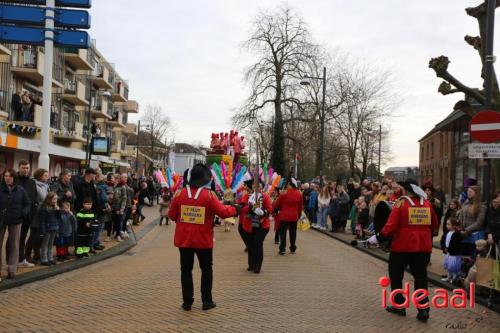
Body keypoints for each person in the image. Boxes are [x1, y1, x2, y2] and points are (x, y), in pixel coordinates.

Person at [168, 164, 240, 311]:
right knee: (206, 269)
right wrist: (236, 209)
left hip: (184, 239)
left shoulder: (179, 194)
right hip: (203, 239)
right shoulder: (209, 195)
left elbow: (171, 215)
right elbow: (223, 212)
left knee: (185, 270)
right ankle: (207, 301)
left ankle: (187, 302)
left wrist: (184, 222)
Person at [370, 179, 438, 322]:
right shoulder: (426, 203)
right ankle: (423, 309)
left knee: (396, 276)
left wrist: (379, 237)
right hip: (423, 246)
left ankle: (399, 305)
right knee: (421, 277)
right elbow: (434, 225)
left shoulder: (401, 203)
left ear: (406, 190)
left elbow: (391, 226)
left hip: (402, 246)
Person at [0, 169, 30, 279]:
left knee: (14, 245)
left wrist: (23, 213)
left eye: (10, 176)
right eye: (6, 176)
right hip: (1, 220)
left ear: (14, 178)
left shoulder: (20, 190)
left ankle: (12, 269)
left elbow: (27, 204)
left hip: (16, 220)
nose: (7, 178)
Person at [238, 178, 272, 273]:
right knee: (250, 244)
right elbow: (242, 206)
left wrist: (263, 212)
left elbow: (269, 209)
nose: (256, 187)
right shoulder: (247, 196)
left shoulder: (265, 197)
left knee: (257, 244)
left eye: (258, 185)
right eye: (254, 185)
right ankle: (251, 264)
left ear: (261, 187)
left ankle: (257, 266)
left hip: (262, 225)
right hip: (249, 224)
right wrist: (249, 208)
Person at [273, 177, 303, 255]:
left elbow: (277, 204)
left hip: (284, 216)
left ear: (290, 184)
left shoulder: (284, 193)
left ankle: (282, 249)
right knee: (293, 232)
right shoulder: (299, 193)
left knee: (283, 232)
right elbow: (300, 206)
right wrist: (299, 214)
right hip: (294, 216)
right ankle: (292, 248)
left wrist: (275, 209)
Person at [17, 160, 37, 268]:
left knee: (23, 238)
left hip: (28, 216)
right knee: (13, 239)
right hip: (16, 216)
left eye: (27, 168)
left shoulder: (31, 182)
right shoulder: (14, 180)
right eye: (23, 168)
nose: (25, 170)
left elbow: (34, 198)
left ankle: (21, 259)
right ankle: (12, 260)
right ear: (19, 168)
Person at [39, 192, 60, 266]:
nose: (55, 200)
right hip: (47, 228)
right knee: (45, 244)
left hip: (54, 227)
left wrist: (57, 210)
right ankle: (44, 259)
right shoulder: (44, 207)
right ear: (49, 199)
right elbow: (42, 220)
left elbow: (58, 218)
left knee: (51, 244)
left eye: (56, 199)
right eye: (54, 199)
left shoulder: (55, 207)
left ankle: (50, 258)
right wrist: (43, 230)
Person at [440, 217, 463, 283]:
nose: (447, 226)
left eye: (449, 224)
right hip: (447, 253)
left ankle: (454, 278)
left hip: (453, 253)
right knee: (448, 266)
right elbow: (442, 241)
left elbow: (455, 244)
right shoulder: (446, 233)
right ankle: (449, 276)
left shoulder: (457, 234)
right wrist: (444, 247)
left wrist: (449, 249)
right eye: (446, 224)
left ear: (454, 226)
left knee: (453, 266)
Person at [111, 173, 128, 241]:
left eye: (115, 179)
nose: (113, 180)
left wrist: (121, 209)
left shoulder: (122, 187)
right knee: (115, 221)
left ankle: (118, 235)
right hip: (114, 207)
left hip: (119, 208)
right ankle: (116, 234)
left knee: (119, 221)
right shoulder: (114, 186)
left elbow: (124, 199)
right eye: (114, 179)